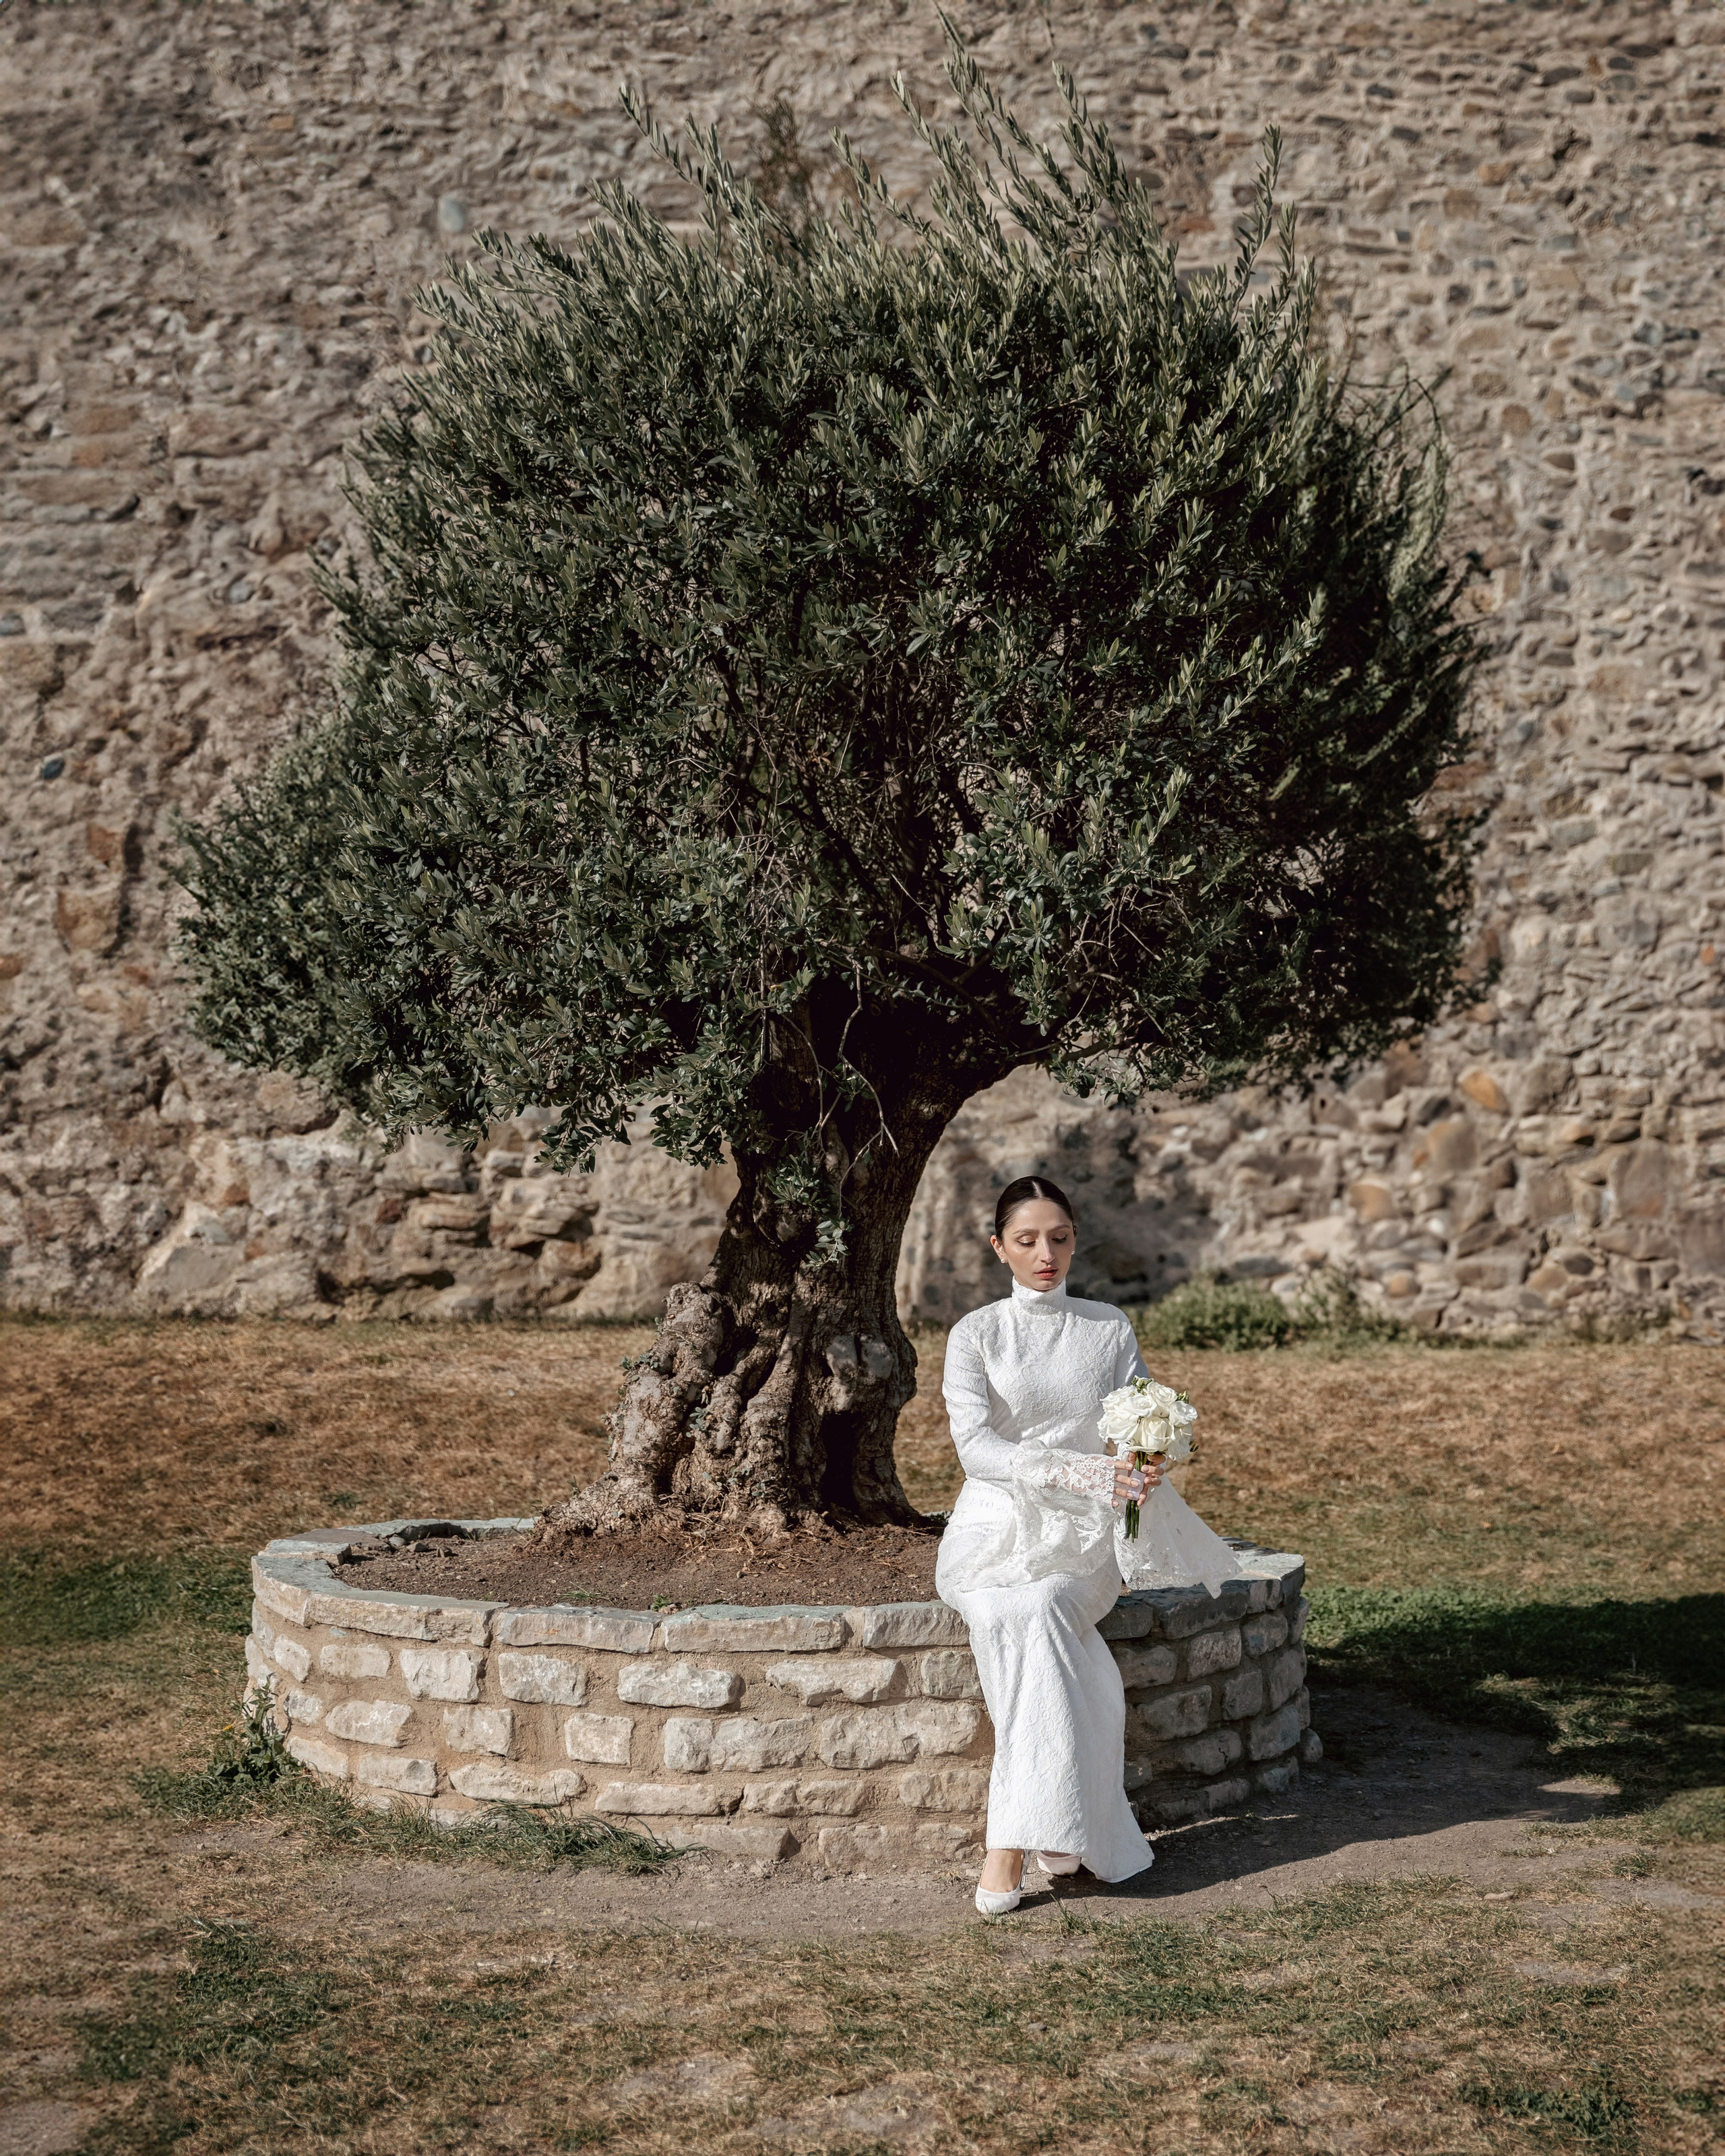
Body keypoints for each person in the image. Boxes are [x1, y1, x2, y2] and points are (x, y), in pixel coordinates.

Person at [935, 1174, 1239, 1917]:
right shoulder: (975, 1333)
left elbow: (1134, 1423)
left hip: (1083, 1533)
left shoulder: (1106, 1327)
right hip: (987, 1528)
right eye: (1029, 1238)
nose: (1047, 1253)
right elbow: (976, 1447)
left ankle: (1006, 1842)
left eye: (1061, 1236)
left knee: (1038, 1607)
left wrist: (1144, 1457)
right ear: (997, 1245)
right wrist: (1072, 1467)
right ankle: (1065, 1828)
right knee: (1010, 1614)